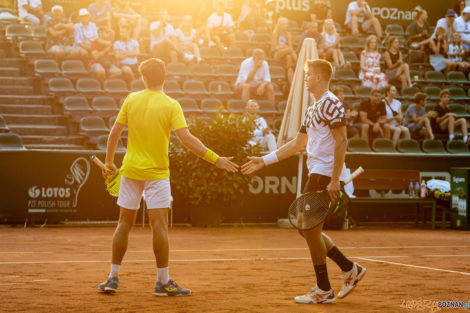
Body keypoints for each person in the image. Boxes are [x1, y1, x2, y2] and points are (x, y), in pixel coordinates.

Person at [98, 58, 238, 295]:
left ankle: (112, 278)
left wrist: (110, 162)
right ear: (164, 77)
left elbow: (114, 134)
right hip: (157, 173)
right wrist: (217, 159)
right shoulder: (171, 104)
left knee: (124, 223)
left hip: (130, 170)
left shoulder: (131, 99)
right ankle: (162, 283)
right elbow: (187, 139)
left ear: (144, 78)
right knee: (159, 225)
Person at [242, 59, 366, 304]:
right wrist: (264, 161)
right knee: (306, 228)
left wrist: (333, 180)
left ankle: (324, 288)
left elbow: (342, 142)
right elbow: (298, 144)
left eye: (308, 75)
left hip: (325, 174)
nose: (305, 78)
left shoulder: (331, 103)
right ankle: (349, 269)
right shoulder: (313, 108)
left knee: (308, 229)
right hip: (316, 172)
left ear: (318, 77)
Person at [272, 17, 297, 85]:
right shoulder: (275, 33)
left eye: (286, 24)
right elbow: (275, 47)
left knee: (289, 57)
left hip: (286, 53)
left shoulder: (288, 34)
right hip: (277, 53)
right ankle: (297, 62)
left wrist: (285, 48)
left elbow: (290, 46)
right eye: (284, 24)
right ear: (279, 25)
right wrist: (285, 47)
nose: (286, 26)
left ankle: (292, 82)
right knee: (290, 51)